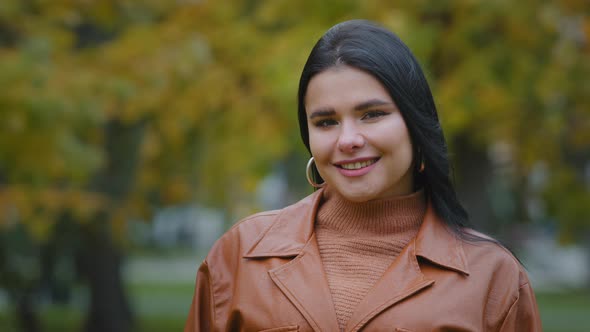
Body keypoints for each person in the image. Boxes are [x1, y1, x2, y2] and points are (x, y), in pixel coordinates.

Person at [185, 19, 542, 331]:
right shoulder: (239, 255)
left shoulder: (493, 278)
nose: (348, 140)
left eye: (372, 114)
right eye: (326, 122)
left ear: (415, 125)